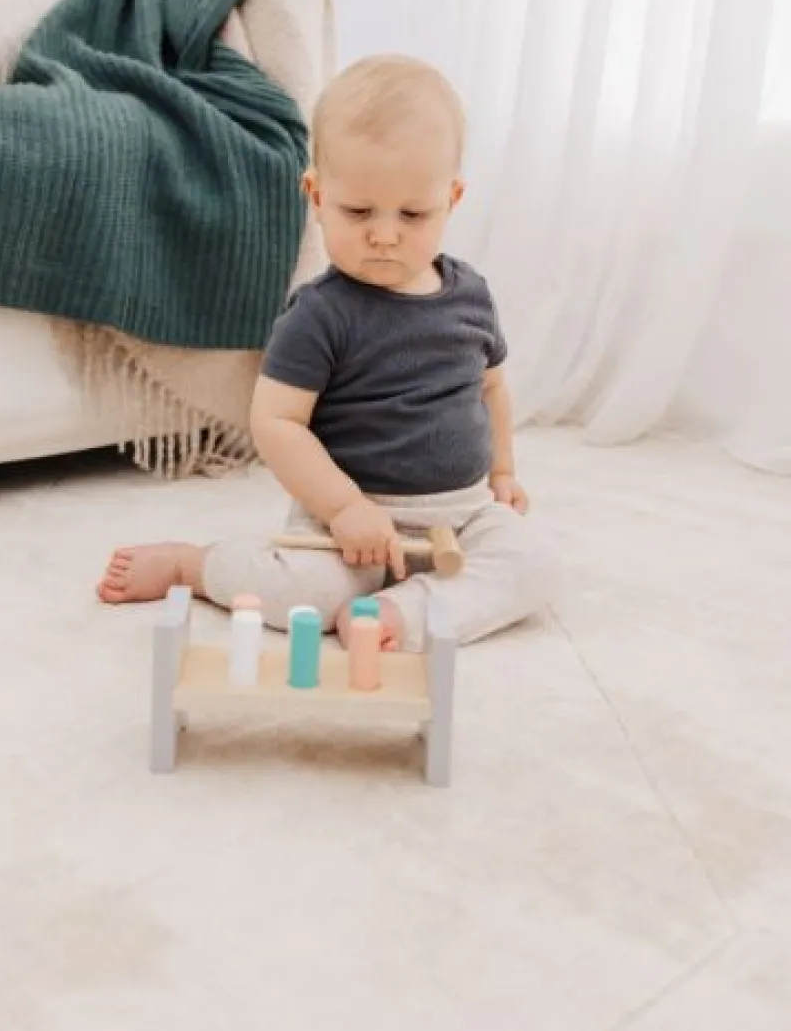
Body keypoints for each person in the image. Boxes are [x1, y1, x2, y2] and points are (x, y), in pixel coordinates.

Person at [97, 55, 556, 651]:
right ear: (315, 194)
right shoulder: (318, 313)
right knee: (304, 595)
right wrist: (343, 509)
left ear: (453, 198)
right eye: (358, 211)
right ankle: (197, 565)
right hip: (346, 523)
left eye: (413, 214)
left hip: (463, 515)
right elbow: (277, 421)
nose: (385, 234)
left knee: (535, 563)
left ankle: (400, 612)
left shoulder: (471, 295)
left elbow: (491, 388)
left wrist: (503, 473)